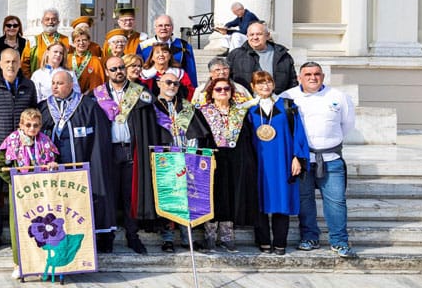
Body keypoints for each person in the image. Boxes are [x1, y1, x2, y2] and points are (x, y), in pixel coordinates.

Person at [128, 71, 211, 253]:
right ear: (158, 83)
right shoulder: (151, 107)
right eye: (168, 82)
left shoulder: (186, 107)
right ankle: (167, 238)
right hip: (164, 160)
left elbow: (196, 133)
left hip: (186, 159)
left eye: (175, 83)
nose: (172, 86)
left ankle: (187, 236)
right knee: (167, 198)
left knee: (185, 198)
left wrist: (191, 153)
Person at [282, 62, 358, 259]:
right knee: (305, 200)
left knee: (336, 201)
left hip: (331, 159)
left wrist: (328, 143)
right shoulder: (288, 96)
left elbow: (347, 124)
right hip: (302, 159)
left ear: (323, 77)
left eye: (316, 74)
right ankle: (309, 238)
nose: (312, 77)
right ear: (299, 78)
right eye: (307, 74)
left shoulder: (338, 97)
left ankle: (339, 241)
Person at [39, 69, 118, 243]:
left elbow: (99, 138)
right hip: (54, 166)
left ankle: (94, 238)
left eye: (60, 83)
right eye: (53, 83)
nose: (55, 87)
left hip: (81, 163)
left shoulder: (88, 106)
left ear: (71, 85)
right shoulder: (43, 107)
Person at [0, 48, 38, 253]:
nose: (11, 65)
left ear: (20, 63)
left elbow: (33, 113)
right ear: (0, 64)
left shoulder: (28, 86)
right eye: (7, 62)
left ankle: (23, 234)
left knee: (23, 192)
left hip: (24, 149)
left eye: (14, 61)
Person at [91, 55, 152, 255]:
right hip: (108, 151)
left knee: (130, 195)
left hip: (131, 149)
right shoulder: (97, 95)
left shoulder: (139, 92)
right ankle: (106, 237)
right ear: (106, 72)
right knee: (108, 195)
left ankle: (132, 236)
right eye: (113, 69)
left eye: (121, 67)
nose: (118, 71)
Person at [246, 70, 308, 256]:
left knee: (282, 199)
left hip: (283, 160)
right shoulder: (248, 109)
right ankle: (263, 240)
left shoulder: (287, 106)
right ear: (253, 87)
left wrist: (297, 157)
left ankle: (280, 242)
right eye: (260, 83)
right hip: (258, 162)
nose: (265, 86)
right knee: (259, 200)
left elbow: (298, 133)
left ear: (273, 84)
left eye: (268, 82)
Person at [0, 108, 59, 279]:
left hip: (41, 193)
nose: (32, 128)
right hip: (20, 193)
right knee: (19, 227)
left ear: (40, 126)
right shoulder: (12, 141)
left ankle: (40, 264)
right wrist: (15, 182)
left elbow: (54, 161)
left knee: (42, 227)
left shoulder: (45, 141)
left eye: (36, 125)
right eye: (28, 125)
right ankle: (18, 264)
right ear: (21, 125)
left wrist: (53, 165)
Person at [197, 77, 257, 253]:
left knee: (231, 195)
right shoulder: (203, 111)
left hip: (235, 159)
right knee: (213, 196)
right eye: (218, 89)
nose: (223, 91)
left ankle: (227, 236)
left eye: (226, 89)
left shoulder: (239, 111)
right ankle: (210, 236)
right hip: (211, 159)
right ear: (212, 92)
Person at [227, 21, 298, 94]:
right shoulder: (235, 55)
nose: (255, 37)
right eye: (251, 34)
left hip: (277, 100)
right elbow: (227, 80)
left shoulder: (282, 55)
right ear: (247, 36)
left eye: (259, 34)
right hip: (246, 100)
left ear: (267, 36)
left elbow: (292, 83)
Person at [137, 15, 198, 87]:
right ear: (155, 28)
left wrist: (193, 90)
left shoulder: (184, 46)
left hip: (175, 88)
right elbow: (137, 71)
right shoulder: (143, 46)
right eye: (160, 25)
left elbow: (191, 73)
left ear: (172, 28)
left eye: (167, 25)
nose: (163, 28)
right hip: (149, 87)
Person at [24, 8, 69, 76]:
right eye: (47, 19)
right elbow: (24, 64)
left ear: (58, 22)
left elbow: (69, 62)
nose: (50, 22)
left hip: (60, 79)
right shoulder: (33, 40)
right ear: (42, 22)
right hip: (38, 79)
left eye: (54, 19)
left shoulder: (66, 40)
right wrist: (30, 80)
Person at [67, 28, 104, 93]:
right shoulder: (67, 58)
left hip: (87, 96)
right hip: (68, 94)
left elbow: (97, 83)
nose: (81, 43)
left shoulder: (95, 61)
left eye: (84, 40)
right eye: (78, 40)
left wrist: (86, 95)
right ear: (73, 43)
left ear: (89, 42)